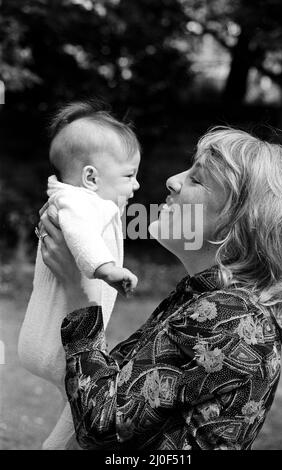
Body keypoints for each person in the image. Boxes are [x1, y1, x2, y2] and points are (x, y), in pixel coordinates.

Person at [39, 127, 282, 450]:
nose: (173, 180)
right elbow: (118, 384)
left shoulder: (230, 317)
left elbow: (102, 423)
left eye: (197, 179)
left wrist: (80, 292)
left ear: (239, 224)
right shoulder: (205, 299)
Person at [18, 101, 140, 450]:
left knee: (74, 401)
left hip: (43, 338)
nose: (136, 185)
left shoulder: (71, 198)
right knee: (82, 406)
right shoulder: (82, 204)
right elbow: (81, 236)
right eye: (129, 175)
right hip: (60, 344)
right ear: (91, 177)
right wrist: (106, 269)